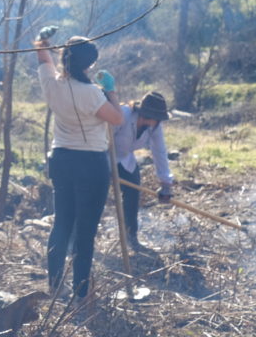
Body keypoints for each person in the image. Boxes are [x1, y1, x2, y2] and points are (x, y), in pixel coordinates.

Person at [34, 34, 124, 301]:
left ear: (65, 59)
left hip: (61, 159)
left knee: (62, 224)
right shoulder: (91, 94)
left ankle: (55, 285)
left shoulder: (52, 84)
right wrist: (111, 89)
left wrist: (42, 40)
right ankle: (81, 293)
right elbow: (117, 118)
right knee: (85, 231)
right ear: (90, 64)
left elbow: (41, 56)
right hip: (90, 164)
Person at [98, 75, 175, 252]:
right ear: (146, 114)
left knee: (132, 195)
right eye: (156, 117)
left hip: (125, 160)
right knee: (97, 196)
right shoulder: (123, 115)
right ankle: (85, 235)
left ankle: (130, 236)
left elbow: (159, 151)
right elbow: (102, 140)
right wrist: (105, 171)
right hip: (103, 157)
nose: (158, 121)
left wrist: (165, 183)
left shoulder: (154, 127)